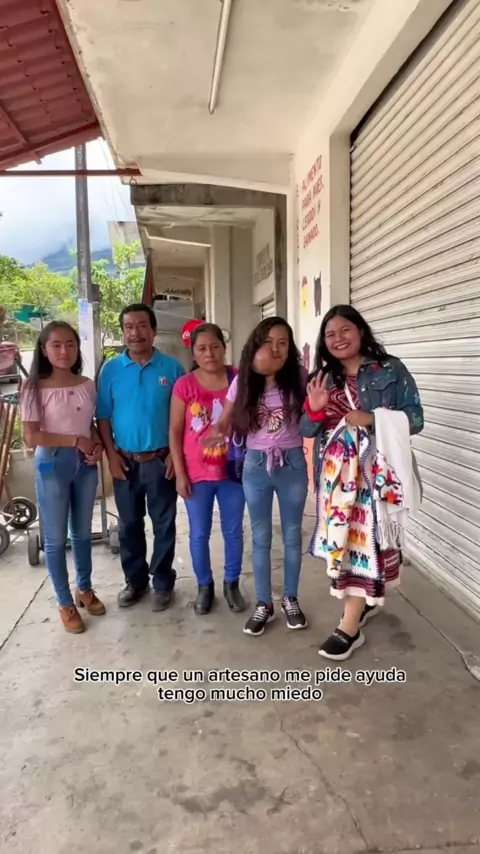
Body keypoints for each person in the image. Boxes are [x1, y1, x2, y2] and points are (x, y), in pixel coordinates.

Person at [301, 304, 424, 661]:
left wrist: (372, 418)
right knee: (344, 546)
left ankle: (349, 627)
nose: (338, 339)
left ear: (361, 331)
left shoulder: (390, 369)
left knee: (364, 547)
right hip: (337, 478)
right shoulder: (322, 378)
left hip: (376, 476)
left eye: (345, 330)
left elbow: (416, 418)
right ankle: (363, 602)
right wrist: (315, 409)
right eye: (330, 334)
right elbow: (306, 430)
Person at [206, 317, 309, 637]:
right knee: (261, 537)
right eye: (269, 342)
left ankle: (291, 599)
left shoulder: (300, 377)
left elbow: (312, 418)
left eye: (283, 343)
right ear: (256, 345)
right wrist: (216, 432)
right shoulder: (243, 381)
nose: (276, 349)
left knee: (292, 536)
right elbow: (225, 420)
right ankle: (264, 604)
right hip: (255, 465)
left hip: (292, 464)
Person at [97, 304, 185, 611]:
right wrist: (111, 456)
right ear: (123, 332)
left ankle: (162, 582)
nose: (135, 333)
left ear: (154, 330)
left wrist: (176, 455)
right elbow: (103, 418)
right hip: (125, 461)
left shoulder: (172, 369)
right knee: (129, 524)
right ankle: (135, 581)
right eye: (129, 327)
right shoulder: (110, 370)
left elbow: (184, 418)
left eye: (142, 326)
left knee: (164, 524)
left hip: (162, 460)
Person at [20, 321, 104, 634]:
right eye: (56, 345)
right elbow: (31, 437)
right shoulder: (33, 387)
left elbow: (89, 424)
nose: (64, 351)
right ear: (44, 350)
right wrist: (75, 441)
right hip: (52, 464)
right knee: (56, 539)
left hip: (86, 463)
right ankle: (65, 602)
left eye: (70, 344)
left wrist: (96, 445)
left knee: (82, 532)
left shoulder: (86, 384)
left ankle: (85, 588)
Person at [169, 323, 246, 615]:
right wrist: (180, 473)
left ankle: (232, 583)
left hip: (233, 471)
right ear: (193, 353)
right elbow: (175, 431)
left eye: (215, 346)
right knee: (199, 533)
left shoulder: (239, 379)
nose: (209, 353)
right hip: (197, 473)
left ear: (224, 348)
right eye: (202, 348)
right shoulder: (184, 385)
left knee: (233, 531)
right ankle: (204, 586)